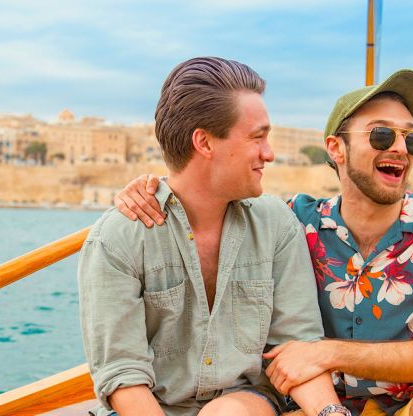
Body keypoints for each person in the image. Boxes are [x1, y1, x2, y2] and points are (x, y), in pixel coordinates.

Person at [113, 69, 413, 416]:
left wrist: (329, 352)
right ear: (335, 148)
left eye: (412, 140)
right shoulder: (293, 220)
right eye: (381, 135)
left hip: (412, 407)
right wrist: (151, 187)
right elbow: (207, 193)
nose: (400, 148)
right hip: (304, 407)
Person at [78, 57, 348, 416]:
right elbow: (123, 376)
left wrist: (333, 414)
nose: (269, 153)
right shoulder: (117, 239)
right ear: (204, 142)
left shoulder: (277, 225)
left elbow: (297, 346)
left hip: (245, 406)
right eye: (258, 137)